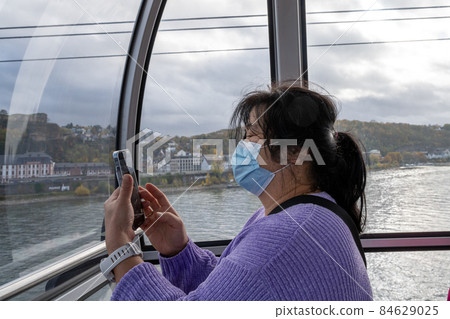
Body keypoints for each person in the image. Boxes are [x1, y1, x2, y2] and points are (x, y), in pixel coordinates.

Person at [103, 84, 373, 301]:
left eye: (253, 136)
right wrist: (178, 251)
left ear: (296, 153)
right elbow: (236, 288)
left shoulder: (289, 233)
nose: (242, 146)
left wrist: (120, 251)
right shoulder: (299, 216)